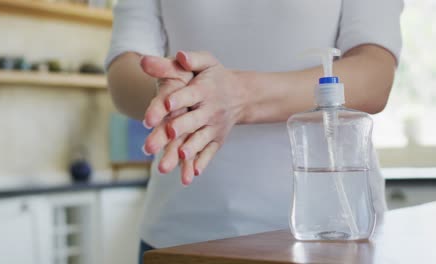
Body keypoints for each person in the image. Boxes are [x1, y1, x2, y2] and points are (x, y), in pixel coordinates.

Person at [106, 1, 403, 263]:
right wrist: (175, 95)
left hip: (332, 234)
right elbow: (123, 73)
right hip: (178, 238)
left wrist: (239, 96)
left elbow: (374, 76)